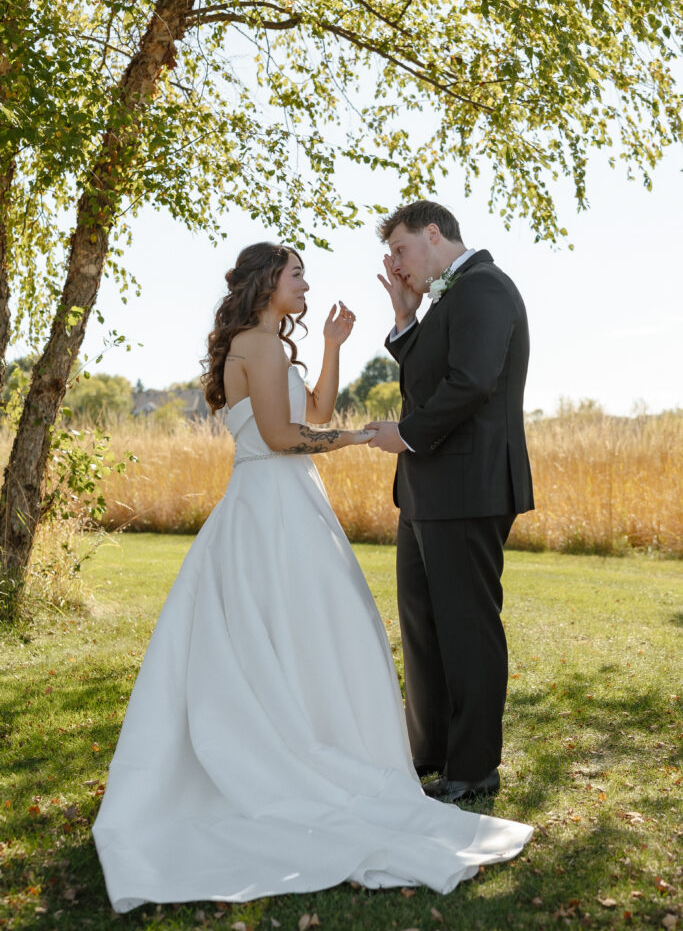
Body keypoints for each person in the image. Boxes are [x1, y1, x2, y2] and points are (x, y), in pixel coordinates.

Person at [92, 241, 532, 913]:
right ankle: (298, 751)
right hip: (271, 504)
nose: (306, 284)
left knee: (309, 628)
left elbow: (315, 412)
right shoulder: (257, 346)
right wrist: (359, 440)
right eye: (297, 275)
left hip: (290, 501)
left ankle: (313, 737)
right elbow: (277, 437)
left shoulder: (271, 344)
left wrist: (330, 345)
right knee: (304, 625)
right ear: (268, 281)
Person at [366, 201, 534, 803]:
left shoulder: (485, 287)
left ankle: (473, 768)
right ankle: (430, 752)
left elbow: (472, 382)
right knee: (423, 626)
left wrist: (405, 435)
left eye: (401, 250)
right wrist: (406, 319)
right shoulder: (444, 301)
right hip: (426, 491)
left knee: (466, 628)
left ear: (433, 234)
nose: (395, 264)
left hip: (469, 488)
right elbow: (431, 376)